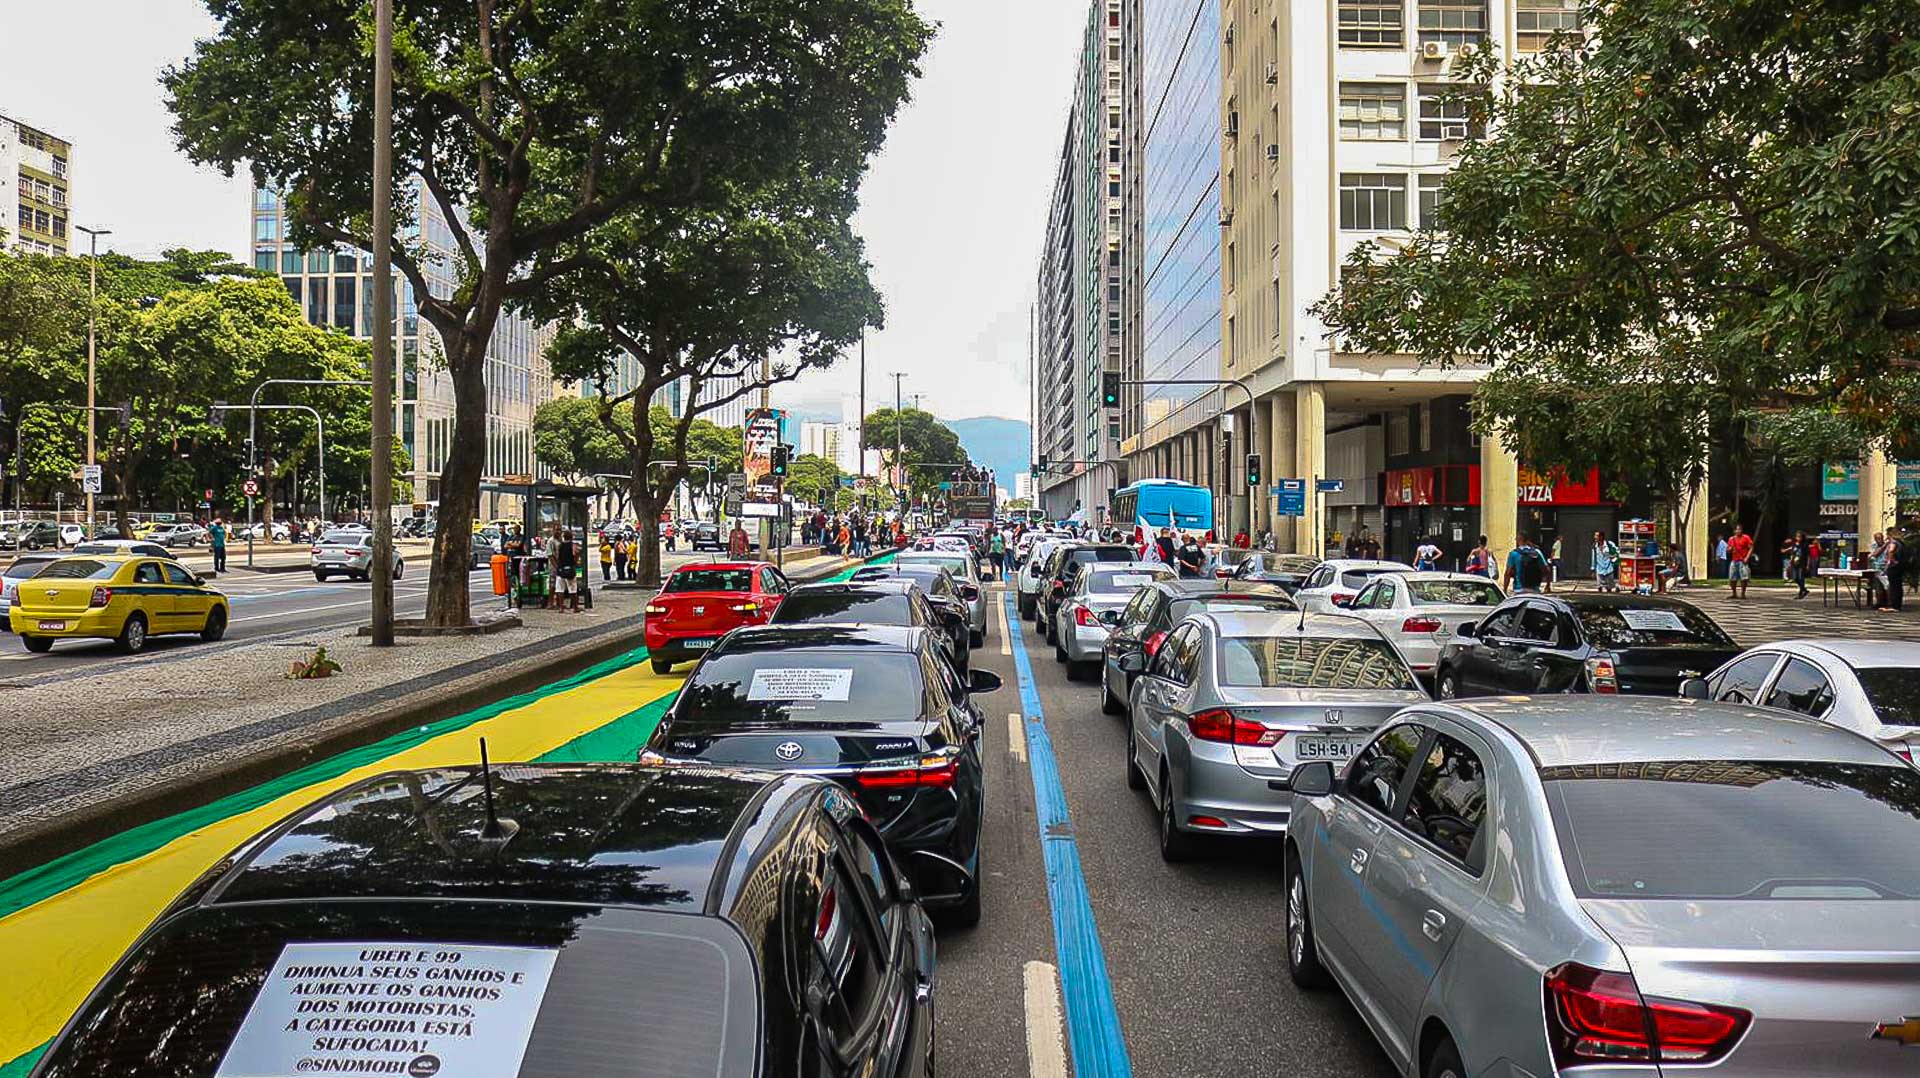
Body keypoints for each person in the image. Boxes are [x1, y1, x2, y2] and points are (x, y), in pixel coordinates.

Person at [1880, 528, 1907, 612]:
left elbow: (1891, 550)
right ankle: (1897, 605)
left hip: (1894, 567)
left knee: (1893, 586)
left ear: (1890, 534)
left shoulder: (1893, 542)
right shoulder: (1901, 542)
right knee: (1898, 586)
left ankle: (1894, 606)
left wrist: (1890, 561)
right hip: (1900, 566)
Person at [1726, 524, 1753, 598]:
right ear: (1734, 531)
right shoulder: (1731, 539)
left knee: (1743, 578)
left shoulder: (1746, 538)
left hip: (1742, 560)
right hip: (1734, 560)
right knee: (1732, 578)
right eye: (1737, 529)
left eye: (1739, 529)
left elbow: (1751, 548)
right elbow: (1728, 550)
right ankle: (1734, 593)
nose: (1738, 531)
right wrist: (1730, 549)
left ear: (1742, 530)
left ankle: (1743, 594)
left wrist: (1747, 558)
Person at [1782, 530, 1811, 599]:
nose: (1798, 538)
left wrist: (1808, 565)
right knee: (1795, 578)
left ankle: (1801, 593)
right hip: (1794, 563)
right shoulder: (1794, 544)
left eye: (1799, 537)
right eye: (1797, 536)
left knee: (1801, 578)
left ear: (1802, 537)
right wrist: (1790, 563)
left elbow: (1808, 555)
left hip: (1802, 563)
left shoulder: (1805, 545)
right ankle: (1804, 590)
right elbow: (1792, 553)